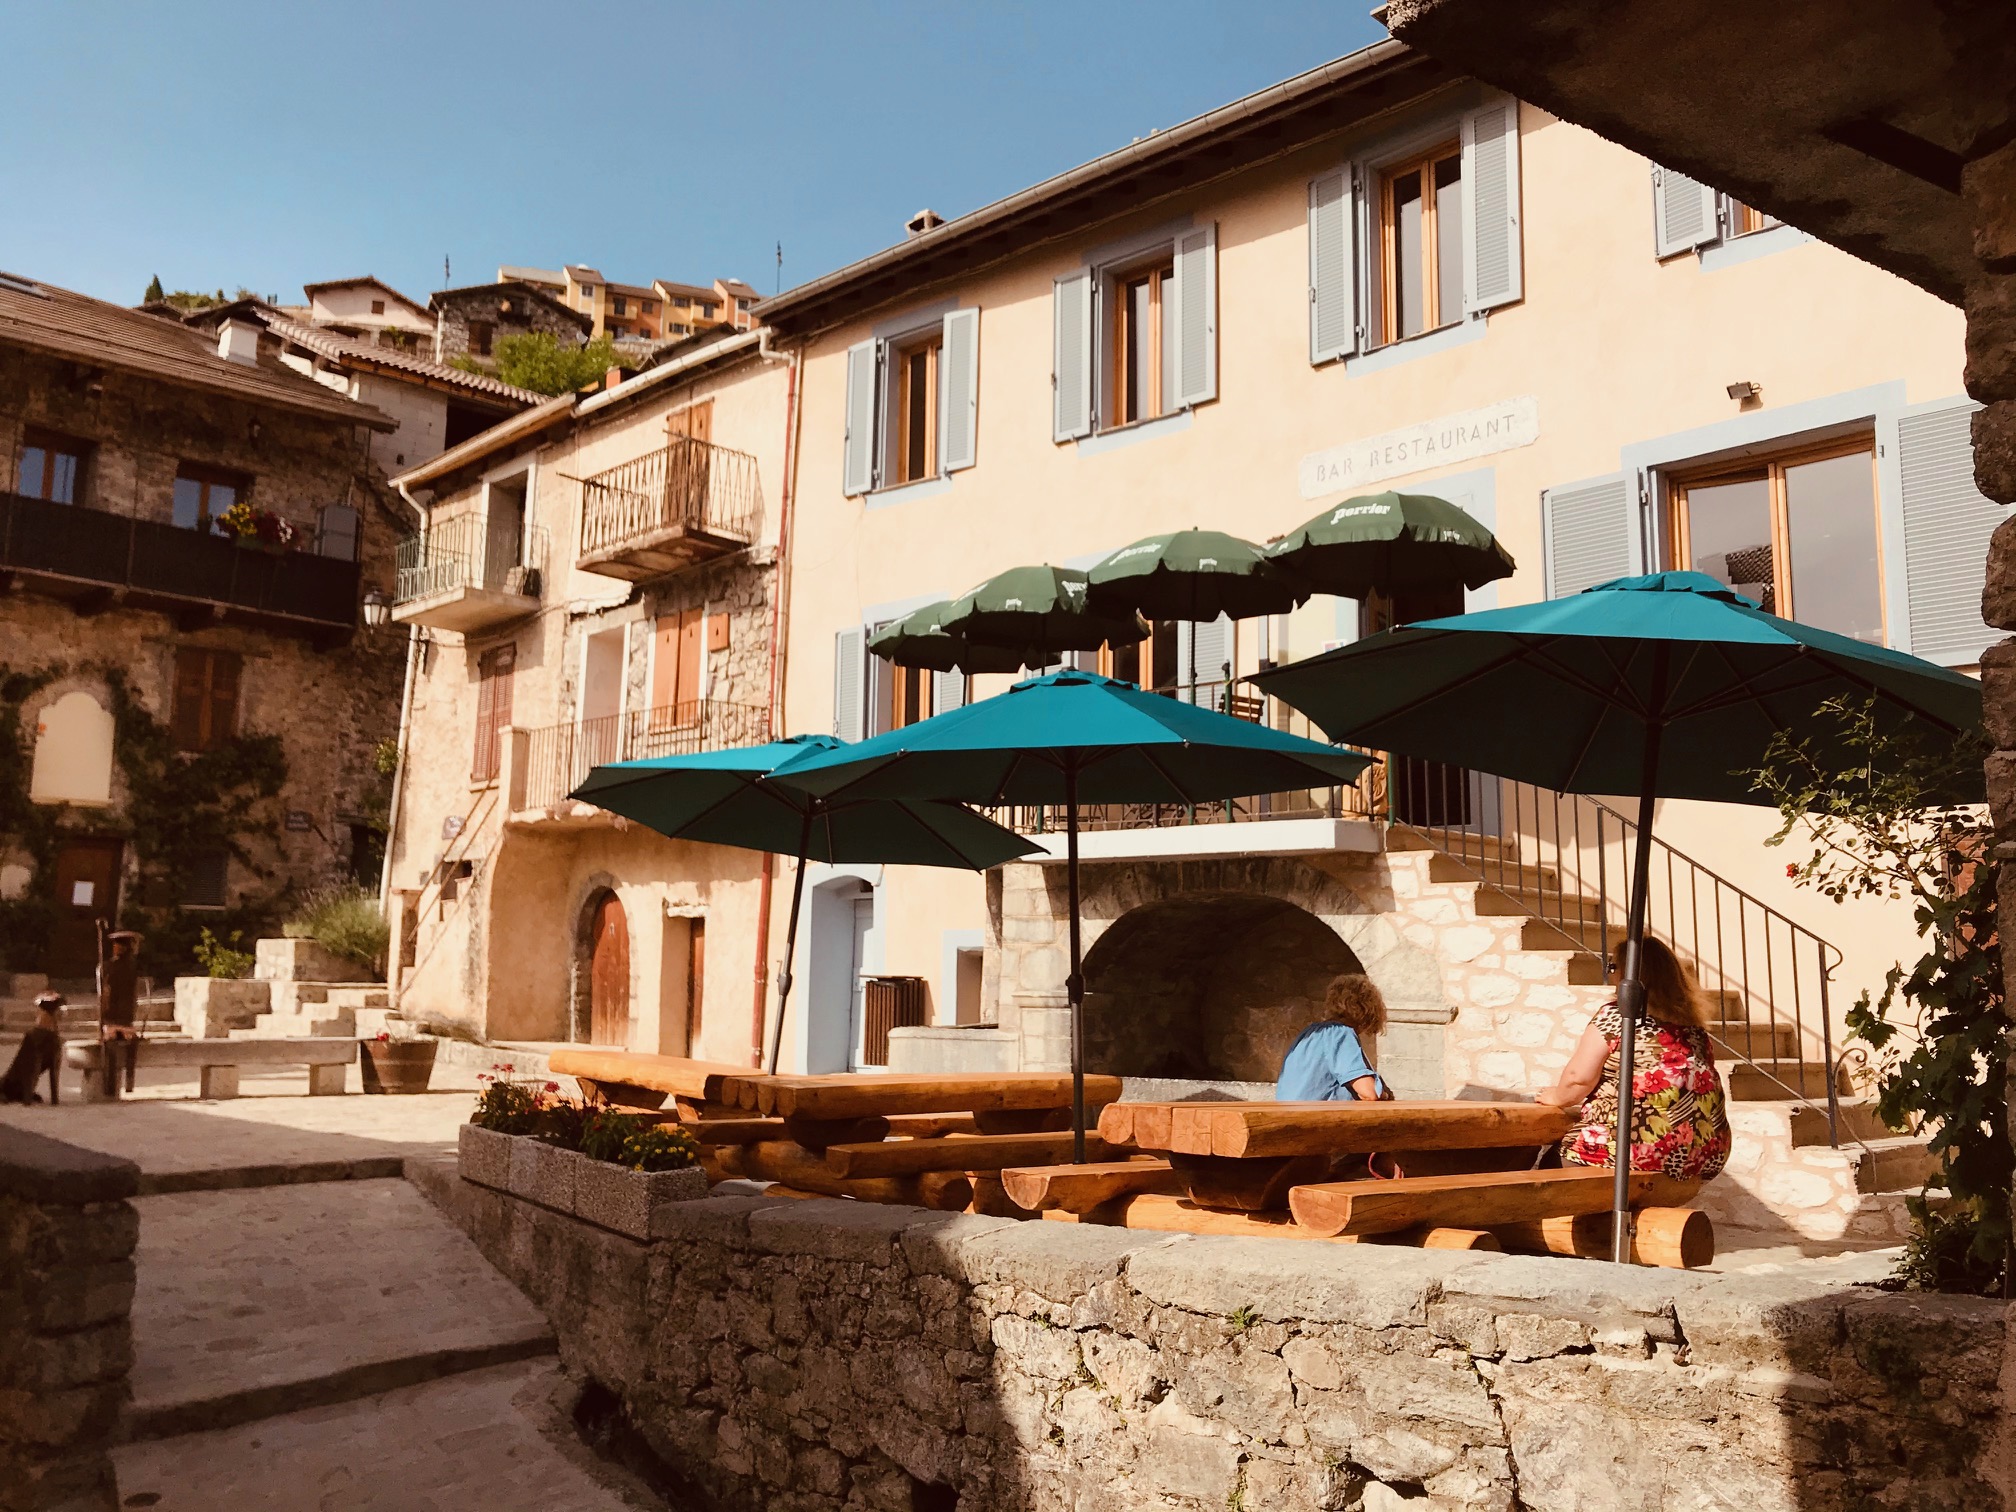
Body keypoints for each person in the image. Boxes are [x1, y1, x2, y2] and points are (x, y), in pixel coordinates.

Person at [1537, 937, 1732, 1181]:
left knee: (1548, 1170)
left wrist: (1556, 1096)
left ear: (1630, 975)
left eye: (1613, 967)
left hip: (1639, 1152)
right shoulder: (1693, 1028)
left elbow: (1578, 1079)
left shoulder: (1620, 1017)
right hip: (1703, 1156)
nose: (1610, 974)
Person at [1276, 974, 1393, 1102]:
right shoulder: (1339, 1033)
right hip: (1315, 1114)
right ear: (1367, 1009)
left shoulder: (1309, 1033)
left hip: (1288, 1111)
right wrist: (1385, 1094)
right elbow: (1369, 1093)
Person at [98, 929, 143, 1099]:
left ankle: (115, 1084)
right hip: (117, 1018)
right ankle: (122, 1081)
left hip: (119, 1018)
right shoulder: (124, 967)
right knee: (119, 1044)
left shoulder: (118, 967)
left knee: (120, 1043)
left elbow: (106, 995)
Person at [1, 992, 64, 1105]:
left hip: (16, 1075)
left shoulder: (35, 1035)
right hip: (43, 1044)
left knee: (23, 1063)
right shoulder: (53, 1035)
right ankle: (22, 1092)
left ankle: (22, 1093)